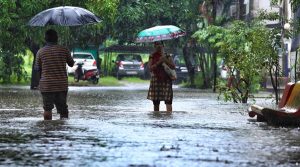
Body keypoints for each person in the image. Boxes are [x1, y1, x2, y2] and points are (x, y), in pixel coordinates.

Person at [35, 29, 74, 120]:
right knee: (63, 110)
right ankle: (62, 130)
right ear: (57, 38)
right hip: (61, 85)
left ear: (45, 39)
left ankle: (48, 130)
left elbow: (37, 69)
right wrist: (66, 53)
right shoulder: (64, 50)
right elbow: (71, 64)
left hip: (46, 85)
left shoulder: (40, 52)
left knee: (47, 108)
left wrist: (39, 84)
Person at [147, 41, 176, 112]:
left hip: (166, 80)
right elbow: (150, 68)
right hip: (156, 80)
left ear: (163, 46)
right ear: (154, 46)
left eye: (160, 44)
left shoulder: (168, 56)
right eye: (156, 44)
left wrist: (165, 60)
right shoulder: (152, 56)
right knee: (156, 102)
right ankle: (156, 117)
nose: (158, 46)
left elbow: (173, 67)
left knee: (168, 101)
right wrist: (158, 62)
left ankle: (169, 118)